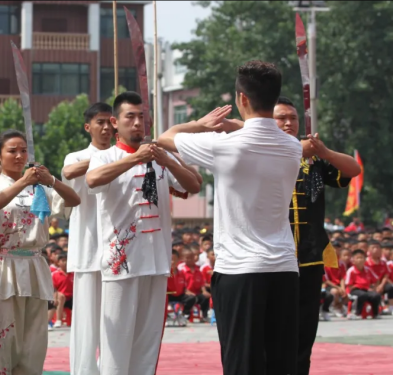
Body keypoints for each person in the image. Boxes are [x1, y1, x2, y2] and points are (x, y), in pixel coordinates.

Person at [158, 60, 302, 374]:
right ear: (275, 99)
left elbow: (165, 137)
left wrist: (201, 123)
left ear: (242, 99)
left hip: (240, 271)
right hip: (285, 269)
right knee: (282, 363)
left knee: (242, 363)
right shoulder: (293, 147)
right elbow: (262, 134)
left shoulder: (226, 147)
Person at [86, 91, 201, 375]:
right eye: (130, 117)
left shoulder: (160, 157)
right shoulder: (105, 157)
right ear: (115, 122)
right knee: (116, 342)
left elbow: (194, 185)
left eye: (142, 117)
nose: (138, 122)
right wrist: (135, 158)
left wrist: (168, 160)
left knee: (148, 344)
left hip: (157, 262)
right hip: (121, 264)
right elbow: (92, 180)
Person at [0, 130, 80, 375]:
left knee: (34, 341)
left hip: (35, 265)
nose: (19, 155)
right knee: (3, 338)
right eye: (12, 151)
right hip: (5, 266)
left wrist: (51, 180)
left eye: (23, 150)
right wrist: (23, 181)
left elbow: (74, 200)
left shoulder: (40, 190)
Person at [272, 95, 361, 374]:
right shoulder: (263, 153)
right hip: (273, 257)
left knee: (304, 327)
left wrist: (324, 152)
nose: (288, 122)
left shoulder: (314, 161)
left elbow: (353, 169)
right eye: (281, 118)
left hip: (310, 257)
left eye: (292, 118)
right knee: (273, 327)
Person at [60, 102, 113, 374]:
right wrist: (111, 158)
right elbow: (68, 173)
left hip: (118, 252)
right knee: (85, 324)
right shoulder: (76, 156)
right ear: (88, 127)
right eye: (100, 122)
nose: (106, 128)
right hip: (87, 248)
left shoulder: (125, 156)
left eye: (110, 122)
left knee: (114, 322)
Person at [345, 249, 381, 319]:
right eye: (358, 258)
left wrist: (374, 288)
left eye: (362, 258)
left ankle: (375, 313)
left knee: (376, 295)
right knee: (362, 295)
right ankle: (357, 313)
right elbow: (349, 285)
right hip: (354, 290)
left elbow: (376, 280)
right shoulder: (351, 271)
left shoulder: (368, 269)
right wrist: (359, 287)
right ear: (353, 260)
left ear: (365, 260)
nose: (360, 260)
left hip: (366, 290)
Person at [179, 249, 209, 321]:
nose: (190, 259)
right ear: (183, 258)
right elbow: (181, 284)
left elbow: (202, 283)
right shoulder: (181, 269)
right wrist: (187, 291)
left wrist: (204, 291)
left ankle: (204, 315)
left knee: (205, 297)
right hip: (185, 293)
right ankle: (186, 314)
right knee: (190, 299)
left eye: (191, 257)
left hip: (196, 293)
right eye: (187, 257)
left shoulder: (198, 269)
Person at [51, 253, 74, 328]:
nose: (65, 262)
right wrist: (55, 298)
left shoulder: (74, 273)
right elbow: (53, 288)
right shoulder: (55, 274)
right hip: (60, 297)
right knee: (61, 297)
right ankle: (58, 320)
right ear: (58, 262)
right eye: (63, 260)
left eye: (67, 260)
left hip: (72, 297)